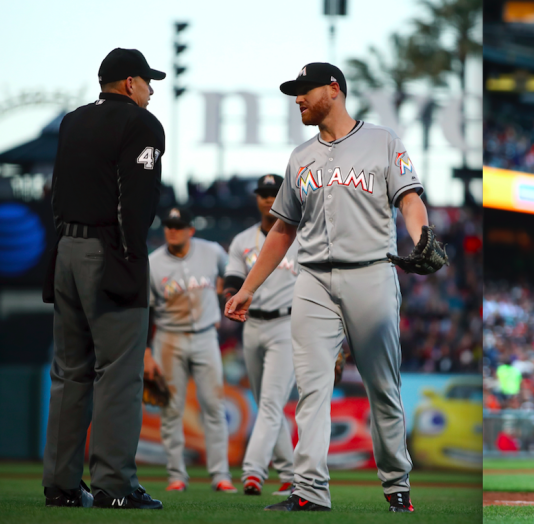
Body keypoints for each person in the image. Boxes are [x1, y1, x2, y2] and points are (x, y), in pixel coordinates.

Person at [224, 62, 445, 512]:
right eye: (295, 92)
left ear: (334, 89)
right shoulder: (300, 157)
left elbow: (409, 198)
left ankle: (396, 485)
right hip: (313, 280)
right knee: (311, 388)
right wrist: (248, 287)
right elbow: (283, 230)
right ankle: (308, 490)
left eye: (306, 90)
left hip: (371, 274)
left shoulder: (382, 140)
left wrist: (420, 234)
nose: (299, 98)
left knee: (382, 386)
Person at [42, 47, 166, 510]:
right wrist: (132, 258)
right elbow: (136, 201)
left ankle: (61, 485)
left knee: (69, 373)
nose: (152, 91)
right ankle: (115, 485)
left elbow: (55, 192)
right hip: (110, 251)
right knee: (118, 373)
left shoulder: (72, 120)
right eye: (148, 82)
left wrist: (62, 248)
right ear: (130, 83)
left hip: (66, 251)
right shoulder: (141, 123)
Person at [147, 207, 237, 494]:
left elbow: (232, 274)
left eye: (179, 225)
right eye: (169, 225)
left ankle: (221, 475)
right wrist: (148, 352)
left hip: (205, 336)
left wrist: (226, 294)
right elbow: (146, 312)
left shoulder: (212, 252)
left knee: (214, 405)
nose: (173, 230)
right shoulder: (153, 263)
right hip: (169, 338)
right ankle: (177, 475)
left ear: (190, 229)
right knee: (171, 408)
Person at [223, 174, 299, 497]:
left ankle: (253, 472)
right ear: (256, 199)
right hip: (252, 326)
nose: (269, 199)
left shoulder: (300, 236)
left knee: (269, 402)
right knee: (268, 403)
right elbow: (232, 280)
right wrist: (229, 294)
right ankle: (292, 474)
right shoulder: (242, 241)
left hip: (287, 326)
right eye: (263, 193)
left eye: (274, 192)